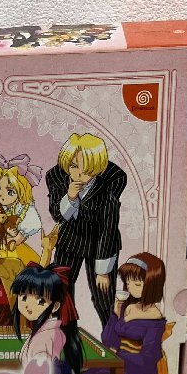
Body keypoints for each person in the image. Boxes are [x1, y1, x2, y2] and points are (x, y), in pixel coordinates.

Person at [10, 263, 118, 374]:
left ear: (55, 306)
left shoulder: (47, 335)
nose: (28, 305)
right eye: (24, 296)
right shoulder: (48, 330)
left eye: (40, 300)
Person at [45, 133, 127, 328]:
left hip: (100, 243)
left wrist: (103, 272)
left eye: (86, 169)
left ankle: (112, 334)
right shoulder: (56, 178)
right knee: (61, 289)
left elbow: (108, 229)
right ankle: (63, 333)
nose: (79, 174)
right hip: (70, 240)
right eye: (74, 166)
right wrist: (70, 197)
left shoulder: (108, 191)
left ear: (97, 169)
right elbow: (57, 215)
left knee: (103, 295)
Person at [82, 253, 176, 374]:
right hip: (119, 363)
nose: (130, 287)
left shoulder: (155, 318)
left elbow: (149, 358)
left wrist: (119, 357)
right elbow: (108, 340)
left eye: (137, 284)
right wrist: (115, 314)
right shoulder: (127, 306)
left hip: (139, 372)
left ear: (152, 284)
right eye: (127, 281)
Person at [0, 153, 58, 266]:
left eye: (10, 191)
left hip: (15, 249)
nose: (2, 195)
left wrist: (14, 238)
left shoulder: (25, 209)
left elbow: (25, 232)